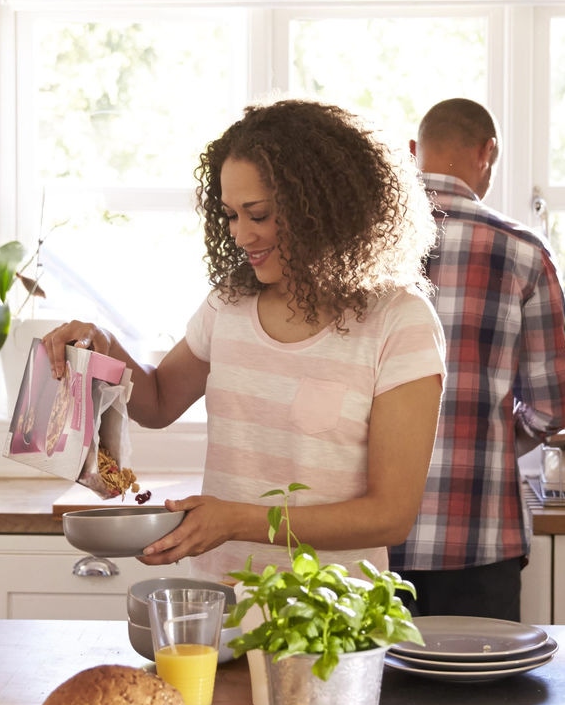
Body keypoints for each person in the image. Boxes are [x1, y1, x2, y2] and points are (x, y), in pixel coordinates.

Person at [43, 98, 445, 579]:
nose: (241, 235)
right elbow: (157, 401)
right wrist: (105, 345)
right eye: (231, 215)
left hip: (331, 619)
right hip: (222, 603)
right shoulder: (229, 303)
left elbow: (390, 516)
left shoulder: (399, 321)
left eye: (258, 214)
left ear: (323, 207)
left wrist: (237, 521)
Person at [397, 98, 565, 619]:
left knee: (370, 698)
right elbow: (552, 406)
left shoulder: (362, 248)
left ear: (414, 153)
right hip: (477, 539)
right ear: (488, 152)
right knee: (480, 699)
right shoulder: (523, 253)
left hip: (366, 543)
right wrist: (493, 440)